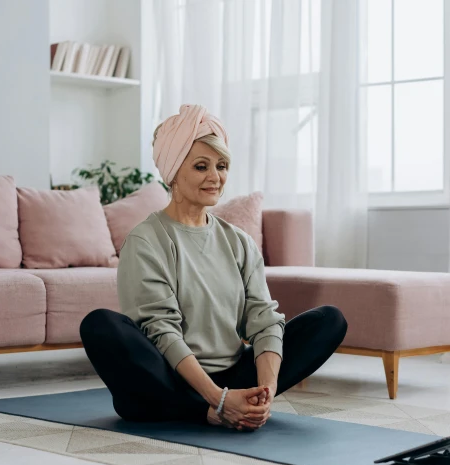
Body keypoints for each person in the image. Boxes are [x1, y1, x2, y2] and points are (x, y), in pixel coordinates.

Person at [80, 104, 348, 431]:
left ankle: (227, 405)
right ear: (173, 172)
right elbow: (161, 331)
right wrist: (216, 399)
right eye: (201, 166)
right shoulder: (146, 241)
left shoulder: (239, 242)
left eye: (221, 166)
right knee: (100, 325)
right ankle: (202, 408)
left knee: (329, 320)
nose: (215, 177)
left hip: (234, 375)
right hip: (169, 377)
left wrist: (266, 392)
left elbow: (263, 321)